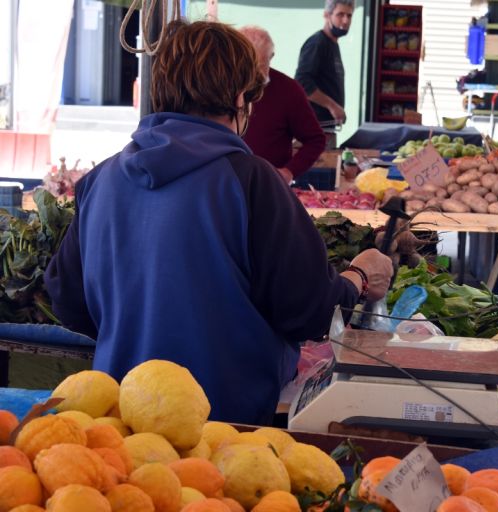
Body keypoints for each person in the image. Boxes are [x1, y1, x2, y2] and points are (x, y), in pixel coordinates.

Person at [43, 20, 393, 426]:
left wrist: (134, 329)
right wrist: (358, 276)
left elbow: (67, 301)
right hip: (223, 428)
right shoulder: (250, 181)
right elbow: (311, 311)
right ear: (240, 98)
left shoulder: (100, 180)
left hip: (121, 420)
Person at [239, 26, 326, 183]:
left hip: (270, 187)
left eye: (267, 61)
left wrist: (289, 171)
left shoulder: (288, 89)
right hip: (227, 183)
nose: (263, 73)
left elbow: (315, 139)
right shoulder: (221, 87)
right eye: (256, 66)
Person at [295, 0, 354, 127]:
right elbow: (302, 81)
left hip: (329, 127)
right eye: (340, 15)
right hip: (315, 127)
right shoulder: (317, 43)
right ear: (327, 15)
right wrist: (332, 106)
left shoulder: (333, 44)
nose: (345, 21)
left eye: (349, 16)